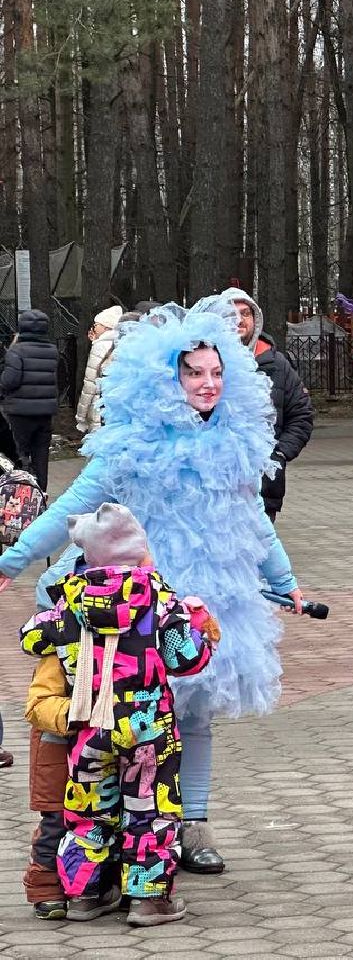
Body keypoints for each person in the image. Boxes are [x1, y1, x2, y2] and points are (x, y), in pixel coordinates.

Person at [0, 298, 306, 876]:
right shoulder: (132, 440)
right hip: (131, 603)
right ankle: (106, 831)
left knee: (193, 715)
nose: (207, 383)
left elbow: (255, 518)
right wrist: (13, 560)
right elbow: (74, 505)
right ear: (166, 376)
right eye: (193, 372)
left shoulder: (235, 440)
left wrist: (283, 579)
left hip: (204, 595)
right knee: (116, 716)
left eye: (216, 372)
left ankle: (191, 825)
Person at [20, 503, 216, 926]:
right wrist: (199, 627)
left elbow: (32, 640)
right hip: (148, 730)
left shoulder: (69, 599)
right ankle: (147, 899)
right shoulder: (160, 598)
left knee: (88, 811)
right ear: (138, 551)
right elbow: (187, 660)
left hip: (90, 727)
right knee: (149, 809)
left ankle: (86, 895)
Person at [221, 289, 314, 518]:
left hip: (263, 490)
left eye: (245, 314)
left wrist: (279, 454)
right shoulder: (201, 365)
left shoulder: (276, 364)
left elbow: (302, 414)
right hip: (215, 489)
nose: (240, 321)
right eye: (231, 315)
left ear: (256, 319)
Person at [22, 653, 69, 918]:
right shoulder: (60, 642)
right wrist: (77, 712)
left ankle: (101, 882)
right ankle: (46, 888)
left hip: (107, 752)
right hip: (59, 751)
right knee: (57, 820)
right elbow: (38, 704)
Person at [1, 308, 59, 491]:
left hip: (20, 413)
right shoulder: (52, 350)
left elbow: (9, 381)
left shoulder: (16, 352)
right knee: (41, 456)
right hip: (45, 413)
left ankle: (23, 496)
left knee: (20, 455)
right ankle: (42, 494)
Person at [74, 305, 124, 435]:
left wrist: (81, 416)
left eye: (97, 324)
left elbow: (90, 383)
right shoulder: (122, 342)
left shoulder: (100, 347)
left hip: (100, 407)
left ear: (106, 327)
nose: (93, 327)